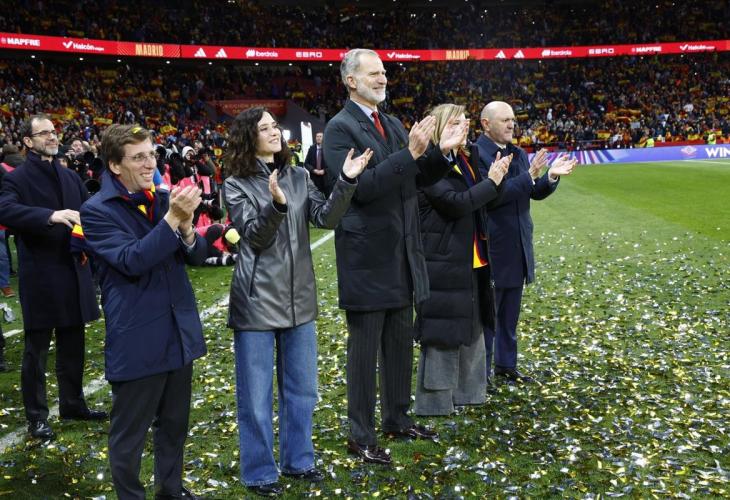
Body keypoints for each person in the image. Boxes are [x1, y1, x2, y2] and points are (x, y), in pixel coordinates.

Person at [322, 48, 467, 464]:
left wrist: (442, 154)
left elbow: (416, 178)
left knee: (400, 345)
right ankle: (360, 435)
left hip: (403, 255)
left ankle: (397, 419)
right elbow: (362, 189)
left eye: (384, 72)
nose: (383, 78)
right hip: (367, 259)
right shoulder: (338, 129)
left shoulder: (391, 123)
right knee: (364, 353)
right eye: (373, 73)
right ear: (351, 81)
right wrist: (411, 154)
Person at [223, 107, 372, 496]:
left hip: (300, 299)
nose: (275, 132)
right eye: (265, 128)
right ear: (248, 137)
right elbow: (255, 236)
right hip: (257, 302)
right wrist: (275, 205)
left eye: (275, 125)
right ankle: (259, 472)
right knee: (256, 398)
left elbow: (326, 218)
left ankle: (299, 460)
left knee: (302, 391)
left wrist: (347, 181)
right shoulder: (235, 184)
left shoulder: (300, 176)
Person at [80, 124, 207, 500]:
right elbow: (132, 260)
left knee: (174, 424)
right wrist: (171, 220)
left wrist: (187, 229)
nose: (150, 163)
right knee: (129, 435)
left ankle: (170, 490)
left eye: (151, 154)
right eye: (138, 157)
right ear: (115, 165)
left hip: (177, 329)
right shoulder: (96, 210)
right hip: (138, 336)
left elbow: (196, 257)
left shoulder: (163, 198)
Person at [0, 114, 105, 440]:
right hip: (42, 275)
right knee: (37, 351)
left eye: (53, 131)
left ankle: (73, 403)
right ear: (27, 141)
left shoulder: (70, 176)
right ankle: (36, 416)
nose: (52, 136)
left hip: (74, 270)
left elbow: (91, 212)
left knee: (73, 343)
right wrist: (50, 216)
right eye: (43, 133)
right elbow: (5, 210)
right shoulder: (17, 178)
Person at [413, 104, 510, 416]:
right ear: (439, 128)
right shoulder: (428, 164)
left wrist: (497, 178)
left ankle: (469, 394)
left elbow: (485, 200)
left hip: (472, 258)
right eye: (455, 123)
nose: (463, 127)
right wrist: (491, 182)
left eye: (465, 122)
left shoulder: (466, 159)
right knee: (442, 333)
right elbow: (455, 204)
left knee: (473, 327)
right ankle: (435, 403)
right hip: (443, 260)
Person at [475, 101, 577, 385]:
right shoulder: (476, 154)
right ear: (486, 124)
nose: (511, 124)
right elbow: (492, 198)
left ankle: (506, 366)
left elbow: (531, 192)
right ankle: (480, 376)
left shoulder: (518, 153)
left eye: (513, 119)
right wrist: (528, 175)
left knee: (509, 315)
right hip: (491, 247)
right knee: (488, 317)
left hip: (518, 245)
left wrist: (550, 176)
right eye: (505, 120)